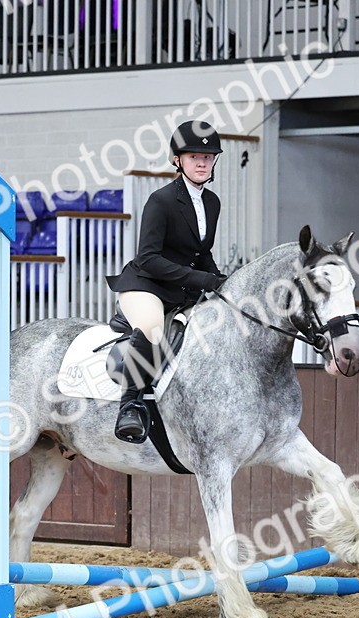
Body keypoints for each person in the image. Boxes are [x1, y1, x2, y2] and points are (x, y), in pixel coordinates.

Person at [105, 119, 226, 444]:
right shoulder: (161, 200)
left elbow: (202, 252)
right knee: (153, 327)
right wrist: (201, 278)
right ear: (178, 161)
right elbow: (149, 258)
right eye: (193, 157)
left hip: (181, 288)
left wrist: (221, 283)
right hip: (146, 285)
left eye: (207, 157)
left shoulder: (212, 202)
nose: (201, 162)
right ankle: (129, 405)